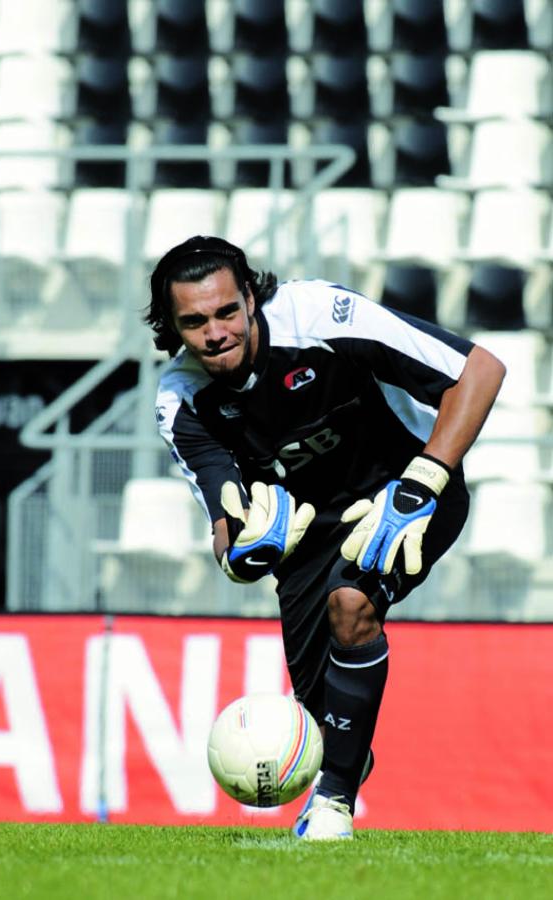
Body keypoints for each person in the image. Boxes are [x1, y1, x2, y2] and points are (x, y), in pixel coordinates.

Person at [147, 234, 505, 840]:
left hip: (405, 492)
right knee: (326, 728)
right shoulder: (181, 400)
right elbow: (223, 518)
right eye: (194, 321)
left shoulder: (319, 316)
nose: (215, 332)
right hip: (309, 538)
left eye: (227, 311)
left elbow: (479, 370)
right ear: (173, 328)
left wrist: (426, 478)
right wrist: (236, 556)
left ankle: (332, 805)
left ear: (253, 300)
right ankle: (345, 765)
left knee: (352, 605)